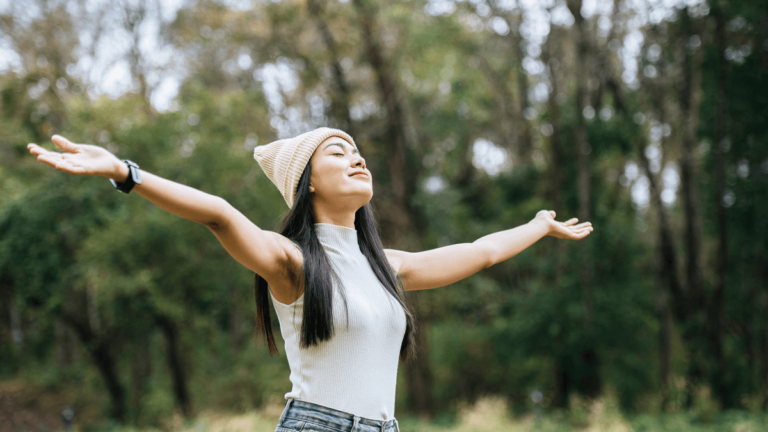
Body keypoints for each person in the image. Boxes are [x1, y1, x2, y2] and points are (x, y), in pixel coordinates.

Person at [27, 127, 593, 432]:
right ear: (308, 183)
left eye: (360, 153)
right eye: (340, 151)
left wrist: (537, 225)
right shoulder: (292, 262)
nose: (358, 160)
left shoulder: (388, 266)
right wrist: (126, 172)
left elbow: (481, 252)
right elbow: (219, 213)